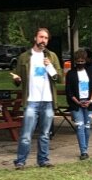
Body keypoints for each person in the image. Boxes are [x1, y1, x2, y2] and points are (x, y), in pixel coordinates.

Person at [10, 27, 62, 170]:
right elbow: (17, 79)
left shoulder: (52, 56)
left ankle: (43, 160)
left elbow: (59, 78)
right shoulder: (25, 57)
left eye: (45, 38)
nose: (43, 40)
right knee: (26, 134)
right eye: (41, 37)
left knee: (45, 134)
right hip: (31, 100)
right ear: (35, 38)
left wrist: (50, 66)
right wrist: (17, 80)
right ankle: (20, 161)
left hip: (47, 100)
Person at [65, 48, 92, 160]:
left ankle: (85, 148)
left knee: (87, 127)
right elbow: (69, 91)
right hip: (76, 103)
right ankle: (83, 151)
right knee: (80, 126)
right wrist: (77, 102)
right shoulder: (71, 74)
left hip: (89, 102)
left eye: (82, 61)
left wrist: (91, 100)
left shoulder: (90, 72)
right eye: (78, 61)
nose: (80, 63)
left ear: (85, 61)